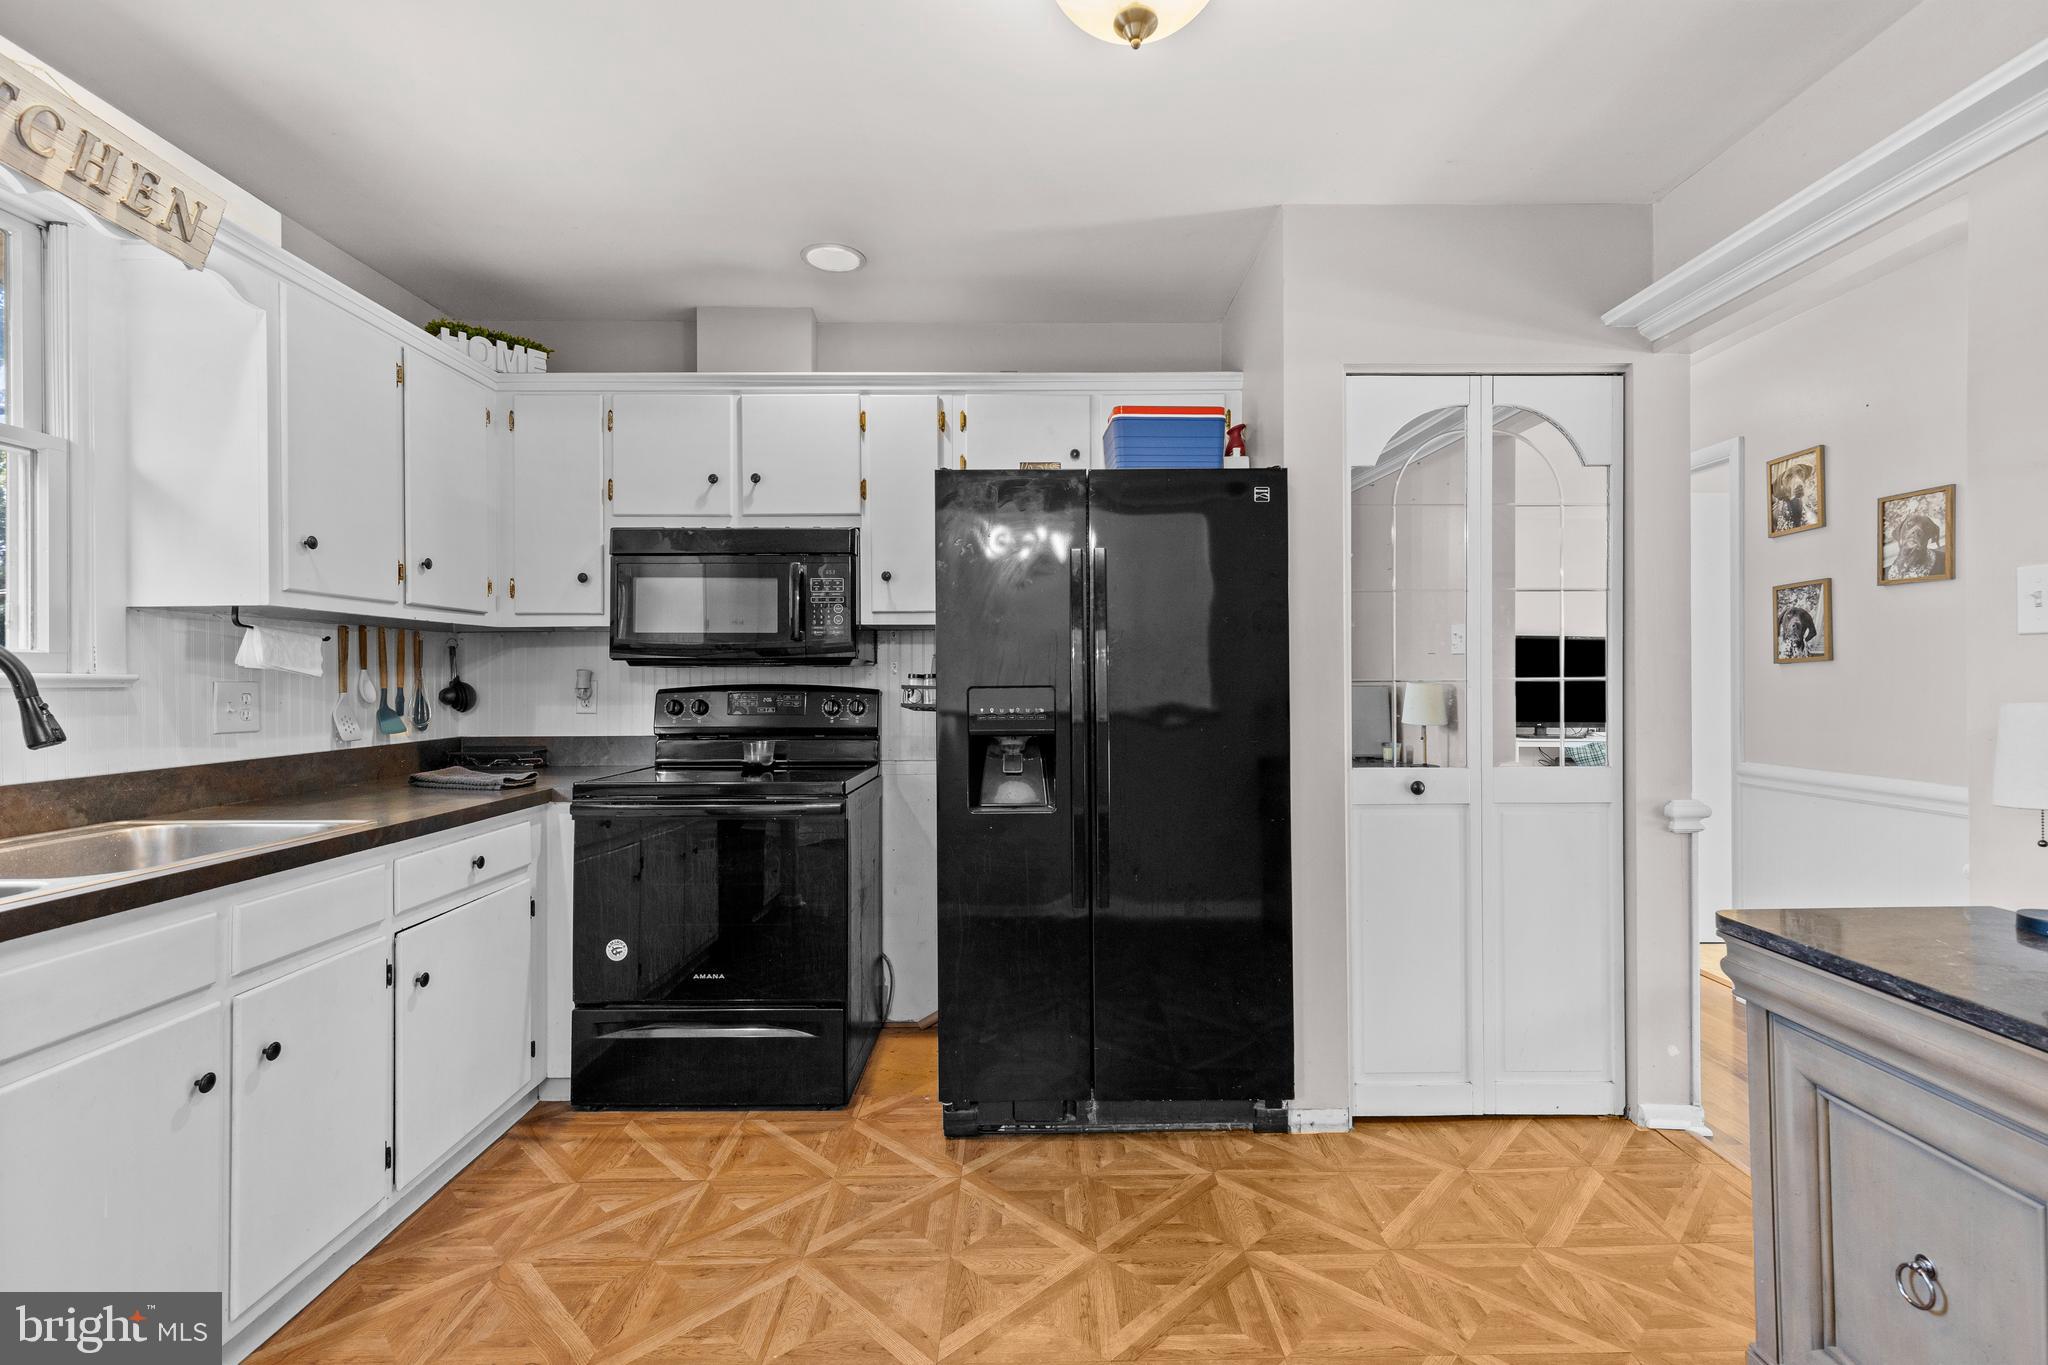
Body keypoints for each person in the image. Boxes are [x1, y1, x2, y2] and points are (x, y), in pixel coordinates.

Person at [1890, 511, 1945, 579]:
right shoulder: (1893, 572)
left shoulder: (1943, 561)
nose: (1916, 531)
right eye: (1910, 524)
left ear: (1933, 535)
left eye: (1926, 527)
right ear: (1899, 532)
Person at [1772, 466, 1813, 531]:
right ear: (1781, 485)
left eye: (1800, 472)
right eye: (1788, 476)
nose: (1798, 481)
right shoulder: (1774, 516)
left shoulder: (1811, 512)